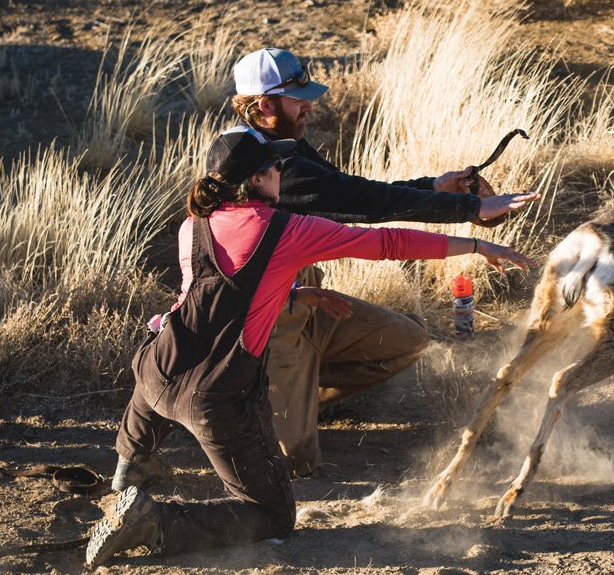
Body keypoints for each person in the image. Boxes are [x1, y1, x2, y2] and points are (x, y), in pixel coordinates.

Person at [87, 129, 533, 567]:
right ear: (259, 181)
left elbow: (210, 299)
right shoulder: (286, 229)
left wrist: (293, 296)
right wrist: (475, 244)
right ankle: (153, 523)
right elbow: (388, 243)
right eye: (276, 166)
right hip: (215, 397)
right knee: (272, 517)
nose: (284, 170)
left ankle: (127, 473)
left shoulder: (193, 226)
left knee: (157, 376)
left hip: (156, 370)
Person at [113, 47, 538, 487]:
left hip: (304, 302)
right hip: (269, 327)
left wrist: (434, 188)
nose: (309, 105)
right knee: (294, 465)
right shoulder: (269, 167)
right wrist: (469, 208)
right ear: (265, 106)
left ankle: (299, 395)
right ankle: (262, 402)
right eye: (298, 98)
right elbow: (367, 212)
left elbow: (347, 195)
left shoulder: (276, 148)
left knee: (406, 340)